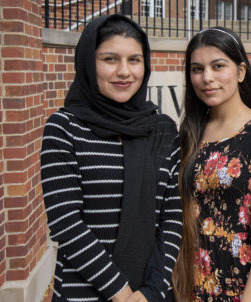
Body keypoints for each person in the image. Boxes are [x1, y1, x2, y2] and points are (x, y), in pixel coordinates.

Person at [40, 14, 181, 302]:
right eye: (110, 59)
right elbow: (66, 223)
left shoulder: (162, 130)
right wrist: (122, 293)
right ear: (88, 63)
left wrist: (151, 291)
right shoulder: (64, 128)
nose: (124, 71)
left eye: (134, 60)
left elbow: (172, 218)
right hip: (84, 293)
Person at [173, 27, 251, 301]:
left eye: (218, 66)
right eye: (197, 69)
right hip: (192, 283)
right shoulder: (190, 132)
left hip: (242, 287)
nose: (207, 77)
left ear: (241, 72)